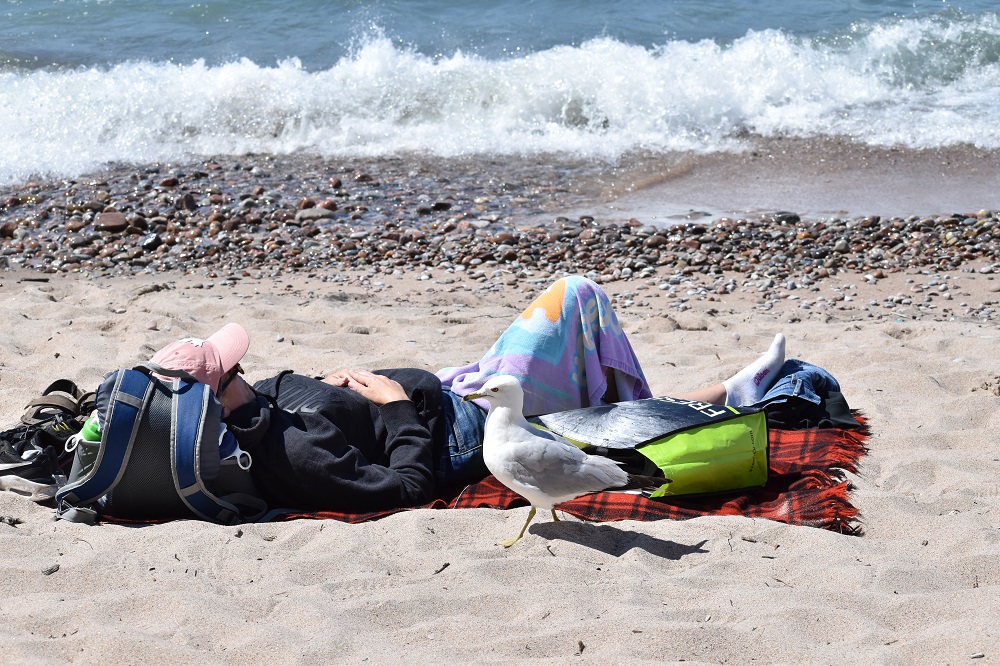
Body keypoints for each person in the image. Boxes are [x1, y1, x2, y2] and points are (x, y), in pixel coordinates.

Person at [147, 276, 789, 513]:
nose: (245, 368)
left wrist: (336, 387)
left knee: (573, 348)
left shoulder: (248, 419)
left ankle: (702, 395)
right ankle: (713, 398)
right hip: (466, 424)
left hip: (450, 394)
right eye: (235, 367)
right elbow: (404, 487)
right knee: (577, 296)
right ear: (225, 383)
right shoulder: (290, 450)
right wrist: (395, 404)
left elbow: (311, 421)